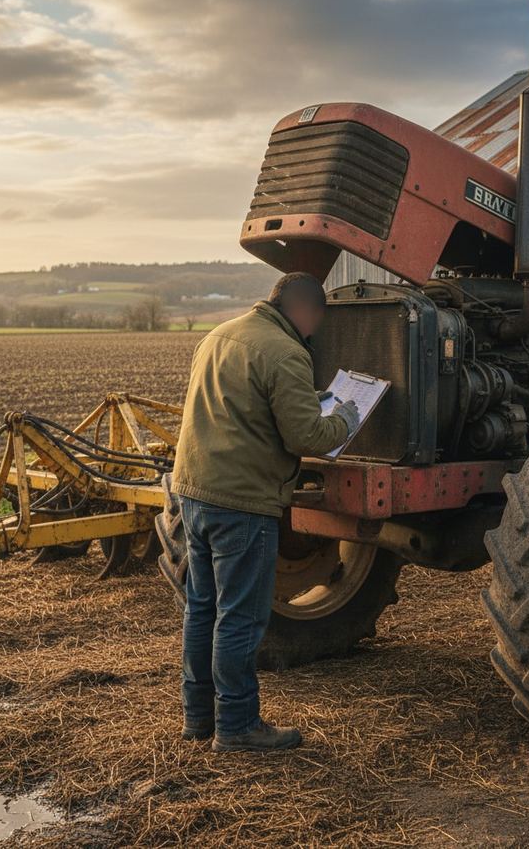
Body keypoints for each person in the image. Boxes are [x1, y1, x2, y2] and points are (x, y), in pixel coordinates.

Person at [171, 271, 359, 752]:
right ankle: (236, 726)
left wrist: (304, 401)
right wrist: (345, 418)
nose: (315, 333)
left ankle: (198, 718)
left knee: (202, 609)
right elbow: (307, 439)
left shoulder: (219, 335)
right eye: (317, 322)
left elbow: (247, 401)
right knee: (240, 617)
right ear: (306, 310)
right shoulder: (287, 351)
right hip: (242, 502)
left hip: (194, 491)